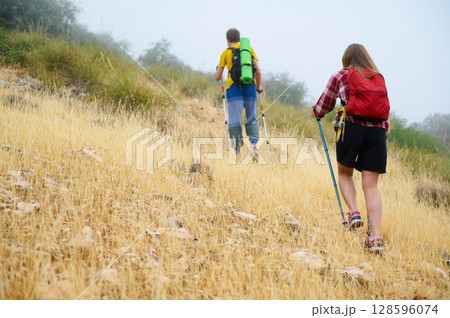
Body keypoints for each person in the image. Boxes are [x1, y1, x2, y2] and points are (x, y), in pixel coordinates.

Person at [311, 43, 389, 253]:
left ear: (346, 59)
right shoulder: (377, 77)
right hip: (377, 133)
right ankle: (375, 237)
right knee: (371, 186)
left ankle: (354, 213)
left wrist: (316, 112)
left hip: (350, 128)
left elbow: (323, 105)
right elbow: (383, 112)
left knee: (345, 173)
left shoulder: (340, 75)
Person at [215, 28, 263, 158]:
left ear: (227, 40)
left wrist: (218, 70)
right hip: (250, 87)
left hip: (233, 89)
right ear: (239, 38)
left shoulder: (225, 53)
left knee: (235, 120)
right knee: (251, 117)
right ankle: (253, 145)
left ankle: (237, 152)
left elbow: (218, 77)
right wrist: (258, 87)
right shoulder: (249, 50)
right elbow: (258, 72)